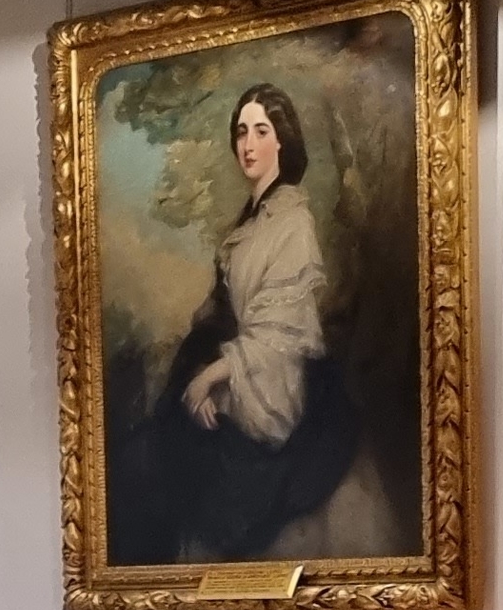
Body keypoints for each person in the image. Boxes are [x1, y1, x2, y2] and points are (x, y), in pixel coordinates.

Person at [128, 82, 359, 561]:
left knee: (189, 459)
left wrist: (213, 374)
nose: (248, 145)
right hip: (243, 362)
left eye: (261, 131)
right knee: (155, 441)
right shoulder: (250, 221)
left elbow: (282, 330)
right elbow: (225, 306)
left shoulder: (292, 222)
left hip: (275, 379)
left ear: (282, 141)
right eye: (241, 132)